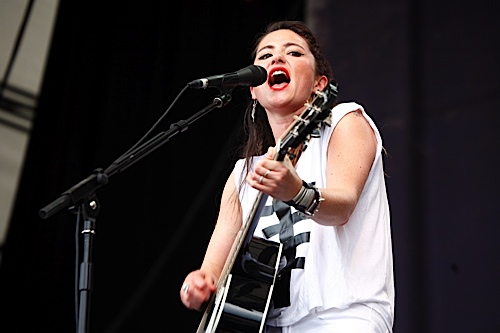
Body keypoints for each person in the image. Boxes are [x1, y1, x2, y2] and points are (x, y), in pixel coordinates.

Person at [180, 20, 394, 332]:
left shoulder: (344, 122)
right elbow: (212, 270)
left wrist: (296, 191)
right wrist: (195, 286)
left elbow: (342, 206)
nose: (277, 59)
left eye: (293, 53)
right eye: (265, 56)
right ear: (253, 89)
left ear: (320, 84)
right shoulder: (244, 173)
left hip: (344, 318)